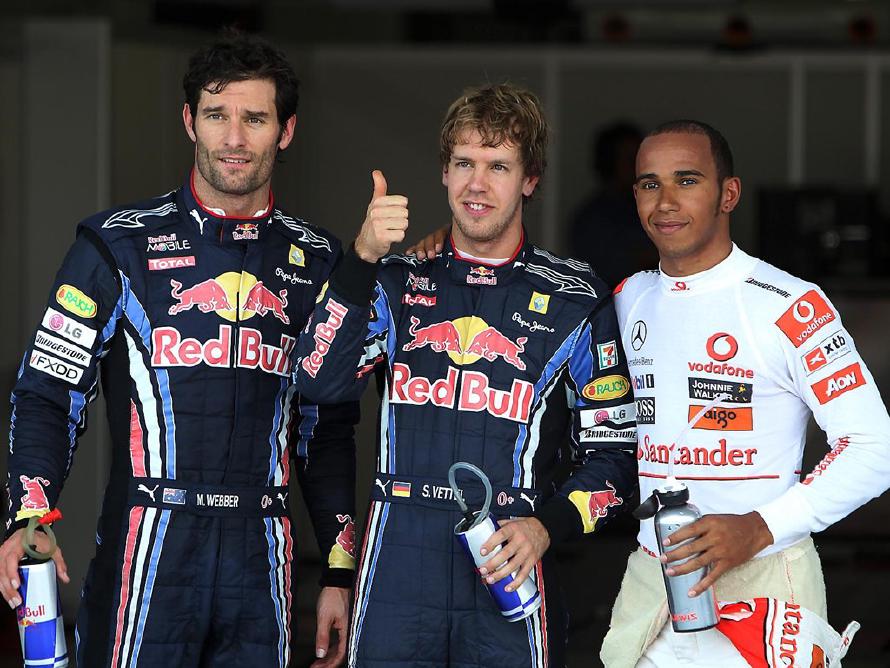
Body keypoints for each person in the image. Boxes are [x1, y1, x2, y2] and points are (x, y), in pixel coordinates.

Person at [0, 32, 358, 668]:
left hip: (263, 557)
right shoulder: (115, 247)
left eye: (255, 118)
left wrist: (338, 570)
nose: (235, 138)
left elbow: (326, 430)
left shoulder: (323, 262)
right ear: (189, 120)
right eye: (218, 115)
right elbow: (48, 392)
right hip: (149, 545)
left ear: (287, 130)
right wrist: (31, 513)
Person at [293, 83, 638, 667]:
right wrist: (361, 258)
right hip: (397, 562)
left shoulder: (577, 300)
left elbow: (618, 457)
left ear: (530, 180)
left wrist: (545, 527)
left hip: (509, 559)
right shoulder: (393, 283)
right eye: (464, 164)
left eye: (498, 165)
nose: (477, 184)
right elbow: (315, 383)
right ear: (445, 174)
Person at [601, 120, 890, 666]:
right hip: (651, 582)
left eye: (687, 180)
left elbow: (876, 447)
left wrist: (759, 528)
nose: (665, 202)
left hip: (766, 578)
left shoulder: (791, 304)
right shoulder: (627, 299)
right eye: (648, 184)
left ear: (728, 193)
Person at [566, 122, 658, 288]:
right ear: (610, 163)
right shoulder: (593, 219)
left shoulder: (654, 207)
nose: (639, 168)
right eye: (631, 159)